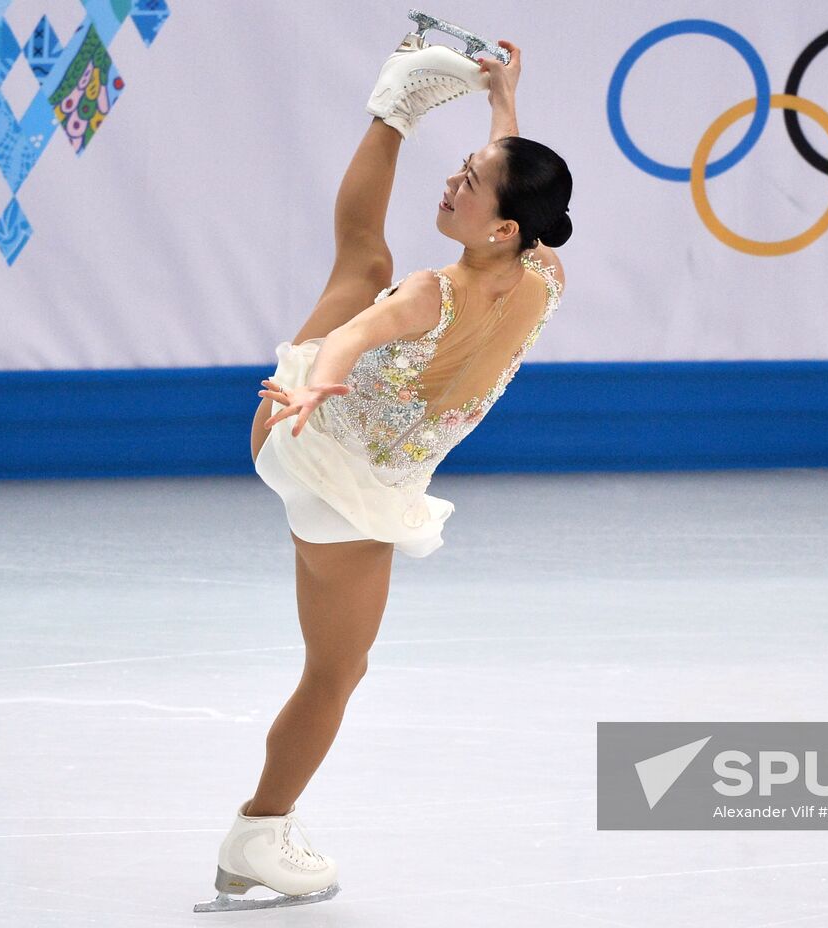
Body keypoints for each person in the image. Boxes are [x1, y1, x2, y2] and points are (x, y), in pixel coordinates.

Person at [197, 27, 572, 912]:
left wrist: (503, 105)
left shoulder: (500, 281)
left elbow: (371, 319)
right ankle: (258, 831)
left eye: (471, 180)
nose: (456, 182)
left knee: (362, 257)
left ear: (507, 227)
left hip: (360, 471)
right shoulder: (519, 276)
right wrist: (313, 388)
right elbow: (353, 336)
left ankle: (396, 101)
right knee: (336, 672)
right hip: (320, 456)